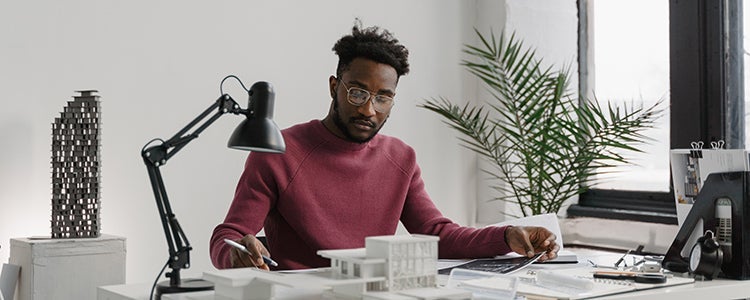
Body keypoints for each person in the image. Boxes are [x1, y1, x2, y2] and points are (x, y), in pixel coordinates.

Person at [209, 21, 559, 271]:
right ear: (334, 86)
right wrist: (238, 252)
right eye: (357, 92)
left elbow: (438, 234)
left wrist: (507, 235)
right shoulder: (279, 152)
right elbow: (229, 235)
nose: (368, 109)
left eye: (383, 97)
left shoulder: (401, 158)